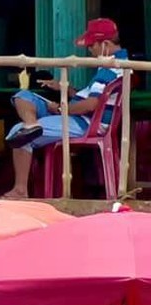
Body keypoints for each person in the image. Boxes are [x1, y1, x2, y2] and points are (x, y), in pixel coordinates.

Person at [7, 18, 126, 197]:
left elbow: (92, 104)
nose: (90, 50)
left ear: (106, 44)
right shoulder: (111, 66)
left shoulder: (112, 69)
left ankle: (20, 189)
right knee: (23, 96)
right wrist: (66, 90)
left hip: (84, 123)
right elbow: (92, 98)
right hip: (75, 115)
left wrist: (63, 110)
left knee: (18, 131)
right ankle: (32, 124)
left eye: (92, 45)